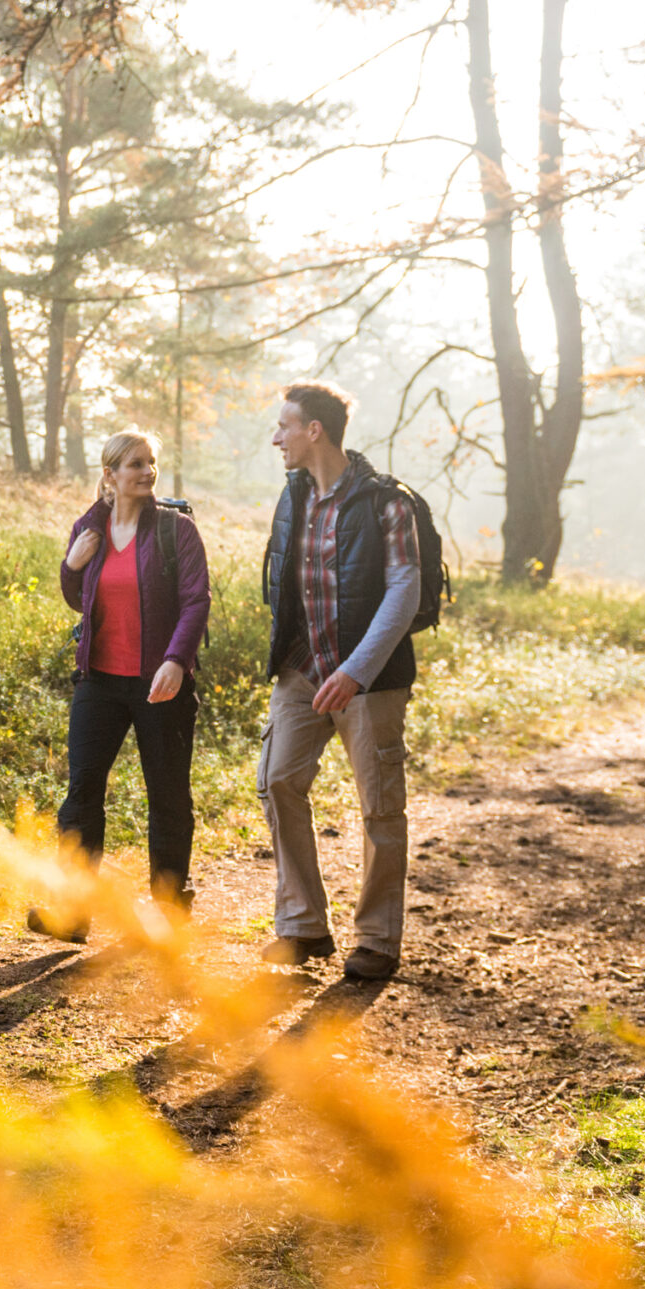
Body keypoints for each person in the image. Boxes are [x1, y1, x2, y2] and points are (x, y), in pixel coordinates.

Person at [257, 382, 419, 981]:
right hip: (303, 669)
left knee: (380, 805)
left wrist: (356, 671)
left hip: (370, 681)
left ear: (314, 430)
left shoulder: (386, 504)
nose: (277, 438)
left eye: (284, 426)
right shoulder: (293, 495)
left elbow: (405, 593)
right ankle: (302, 926)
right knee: (277, 780)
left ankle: (377, 939)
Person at [42, 429, 211, 933]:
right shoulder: (88, 528)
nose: (147, 472)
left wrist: (177, 660)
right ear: (110, 473)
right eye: (135, 463)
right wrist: (70, 567)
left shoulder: (175, 531)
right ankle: (73, 910)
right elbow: (81, 599)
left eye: (151, 462)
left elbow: (196, 601)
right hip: (99, 681)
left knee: (168, 794)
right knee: (82, 793)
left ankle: (169, 906)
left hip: (162, 683)